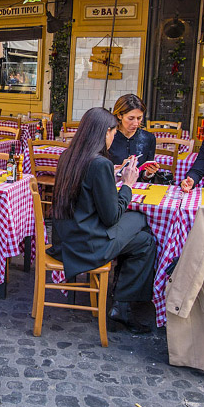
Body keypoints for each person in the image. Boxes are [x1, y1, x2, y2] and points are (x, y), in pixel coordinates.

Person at [47, 107, 156, 333]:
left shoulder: (69, 156)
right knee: (143, 232)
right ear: (104, 132)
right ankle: (122, 306)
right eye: (113, 132)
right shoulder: (100, 164)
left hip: (64, 242)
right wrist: (127, 184)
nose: (114, 137)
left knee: (142, 237)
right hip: (89, 246)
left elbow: (86, 189)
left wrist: (114, 176)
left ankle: (121, 304)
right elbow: (111, 217)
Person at [108, 94, 159, 181]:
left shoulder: (148, 138)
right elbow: (99, 171)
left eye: (139, 118)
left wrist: (148, 173)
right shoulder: (109, 137)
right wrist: (119, 168)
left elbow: (144, 177)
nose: (136, 123)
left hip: (138, 189)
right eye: (131, 118)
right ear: (120, 116)